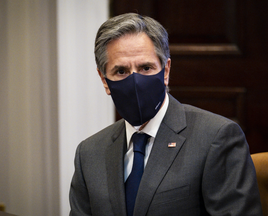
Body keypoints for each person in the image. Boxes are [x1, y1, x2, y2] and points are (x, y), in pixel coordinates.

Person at [69, 13, 263, 216]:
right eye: (121, 71)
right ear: (104, 80)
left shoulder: (216, 138)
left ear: (166, 70)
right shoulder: (89, 154)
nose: (135, 81)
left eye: (145, 68)